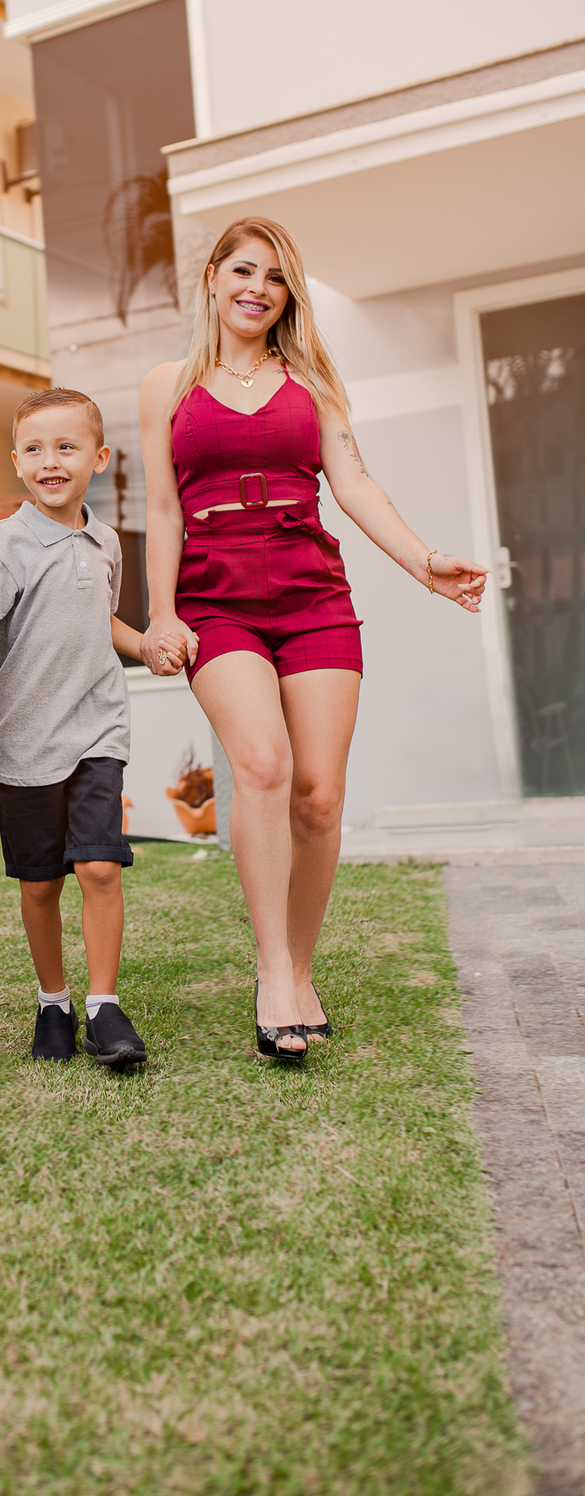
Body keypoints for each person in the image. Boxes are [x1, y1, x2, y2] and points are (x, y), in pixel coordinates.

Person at [139, 216, 487, 1060]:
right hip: (216, 597)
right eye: (244, 271)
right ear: (213, 278)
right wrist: (161, 612)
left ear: (287, 294)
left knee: (319, 795)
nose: (258, 289)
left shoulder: (313, 381)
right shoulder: (166, 386)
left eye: (276, 278)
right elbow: (162, 507)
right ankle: (271, 973)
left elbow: (355, 483)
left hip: (311, 592)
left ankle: (300, 967)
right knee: (262, 764)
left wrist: (424, 562)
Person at [0, 387, 180, 1069]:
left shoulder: (105, 540)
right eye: (35, 449)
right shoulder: (6, 541)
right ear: (17, 461)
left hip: (97, 728)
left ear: (98, 459)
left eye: (66, 447)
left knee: (101, 867)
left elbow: (97, 618)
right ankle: (55, 1003)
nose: (51, 461)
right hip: (26, 741)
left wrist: (145, 645)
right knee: (41, 883)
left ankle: (104, 1007)